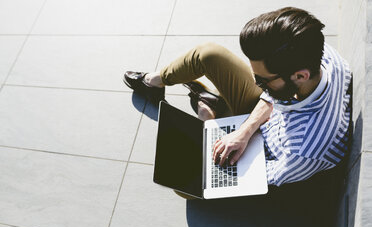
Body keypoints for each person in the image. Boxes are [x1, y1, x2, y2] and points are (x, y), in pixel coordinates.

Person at [123, 7, 351, 187]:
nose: (256, 82)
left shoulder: (304, 150)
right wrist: (243, 131)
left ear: (300, 76)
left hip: (267, 153)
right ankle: (154, 82)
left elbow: (262, 177)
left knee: (183, 182)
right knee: (208, 54)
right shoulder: (321, 57)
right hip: (265, 119)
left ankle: (211, 115)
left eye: (262, 81)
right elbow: (274, 97)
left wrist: (218, 140)